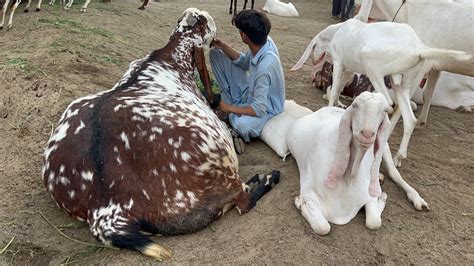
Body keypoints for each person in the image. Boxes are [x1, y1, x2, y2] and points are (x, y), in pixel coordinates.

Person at [209, 10, 285, 154]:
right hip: (251, 90)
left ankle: (232, 111)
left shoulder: (265, 68)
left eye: (240, 30)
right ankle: (233, 106)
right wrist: (223, 46)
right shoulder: (264, 42)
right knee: (215, 53)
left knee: (244, 126)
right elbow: (244, 62)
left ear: (244, 36)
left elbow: (258, 109)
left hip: (266, 108)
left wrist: (229, 109)